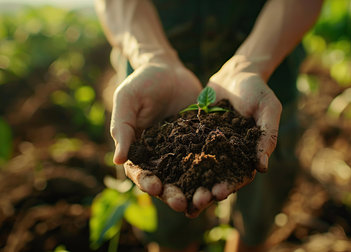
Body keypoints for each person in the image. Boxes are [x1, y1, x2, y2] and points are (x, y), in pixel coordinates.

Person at [95, 0, 323, 251]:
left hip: (266, 59)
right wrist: (153, 57)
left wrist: (250, 65)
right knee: (169, 230)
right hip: (154, 68)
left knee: (258, 211)